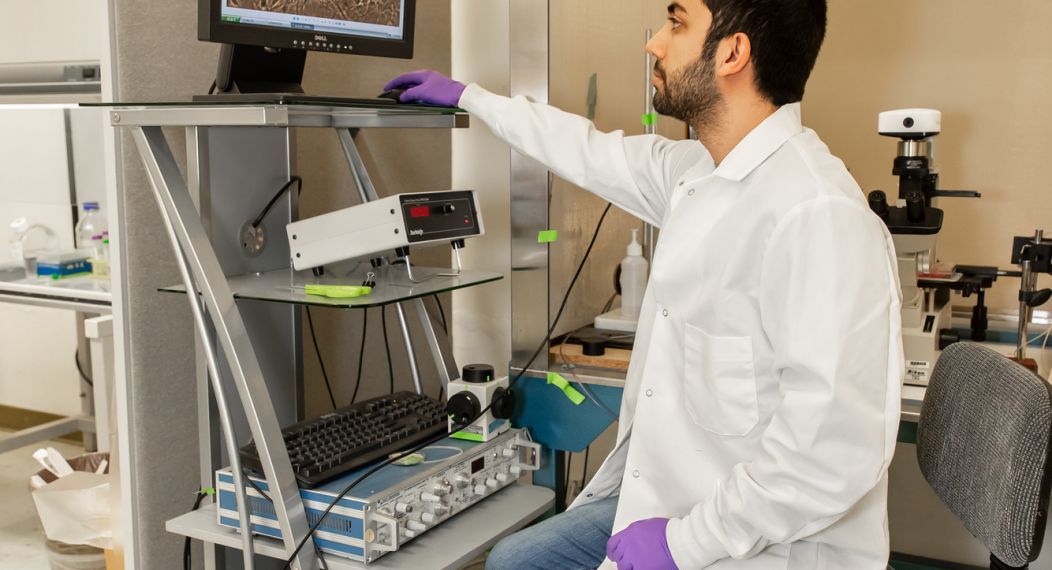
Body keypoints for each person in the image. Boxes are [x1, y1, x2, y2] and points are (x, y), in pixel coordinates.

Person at [385, 0, 903, 568]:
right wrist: (471, 98)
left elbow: (829, 457)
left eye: (677, 23)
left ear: (733, 53)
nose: (654, 43)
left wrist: (684, 544)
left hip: (768, 541)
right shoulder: (697, 173)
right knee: (515, 559)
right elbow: (585, 149)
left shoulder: (817, 215)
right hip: (678, 500)